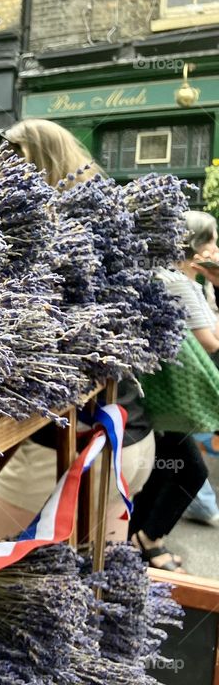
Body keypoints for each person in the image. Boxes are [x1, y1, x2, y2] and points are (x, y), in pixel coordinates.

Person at [0, 119, 156, 543]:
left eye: (4, 166)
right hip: (133, 441)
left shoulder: (50, 239)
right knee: (91, 574)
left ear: (27, 169)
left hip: (75, 449)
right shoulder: (109, 232)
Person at [127, 210, 218, 570]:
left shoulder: (166, 277)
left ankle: (138, 541)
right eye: (210, 240)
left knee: (165, 467)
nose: (215, 247)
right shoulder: (178, 282)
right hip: (167, 397)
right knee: (189, 470)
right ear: (193, 245)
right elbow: (211, 342)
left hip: (149, 394)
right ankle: (150, 538)